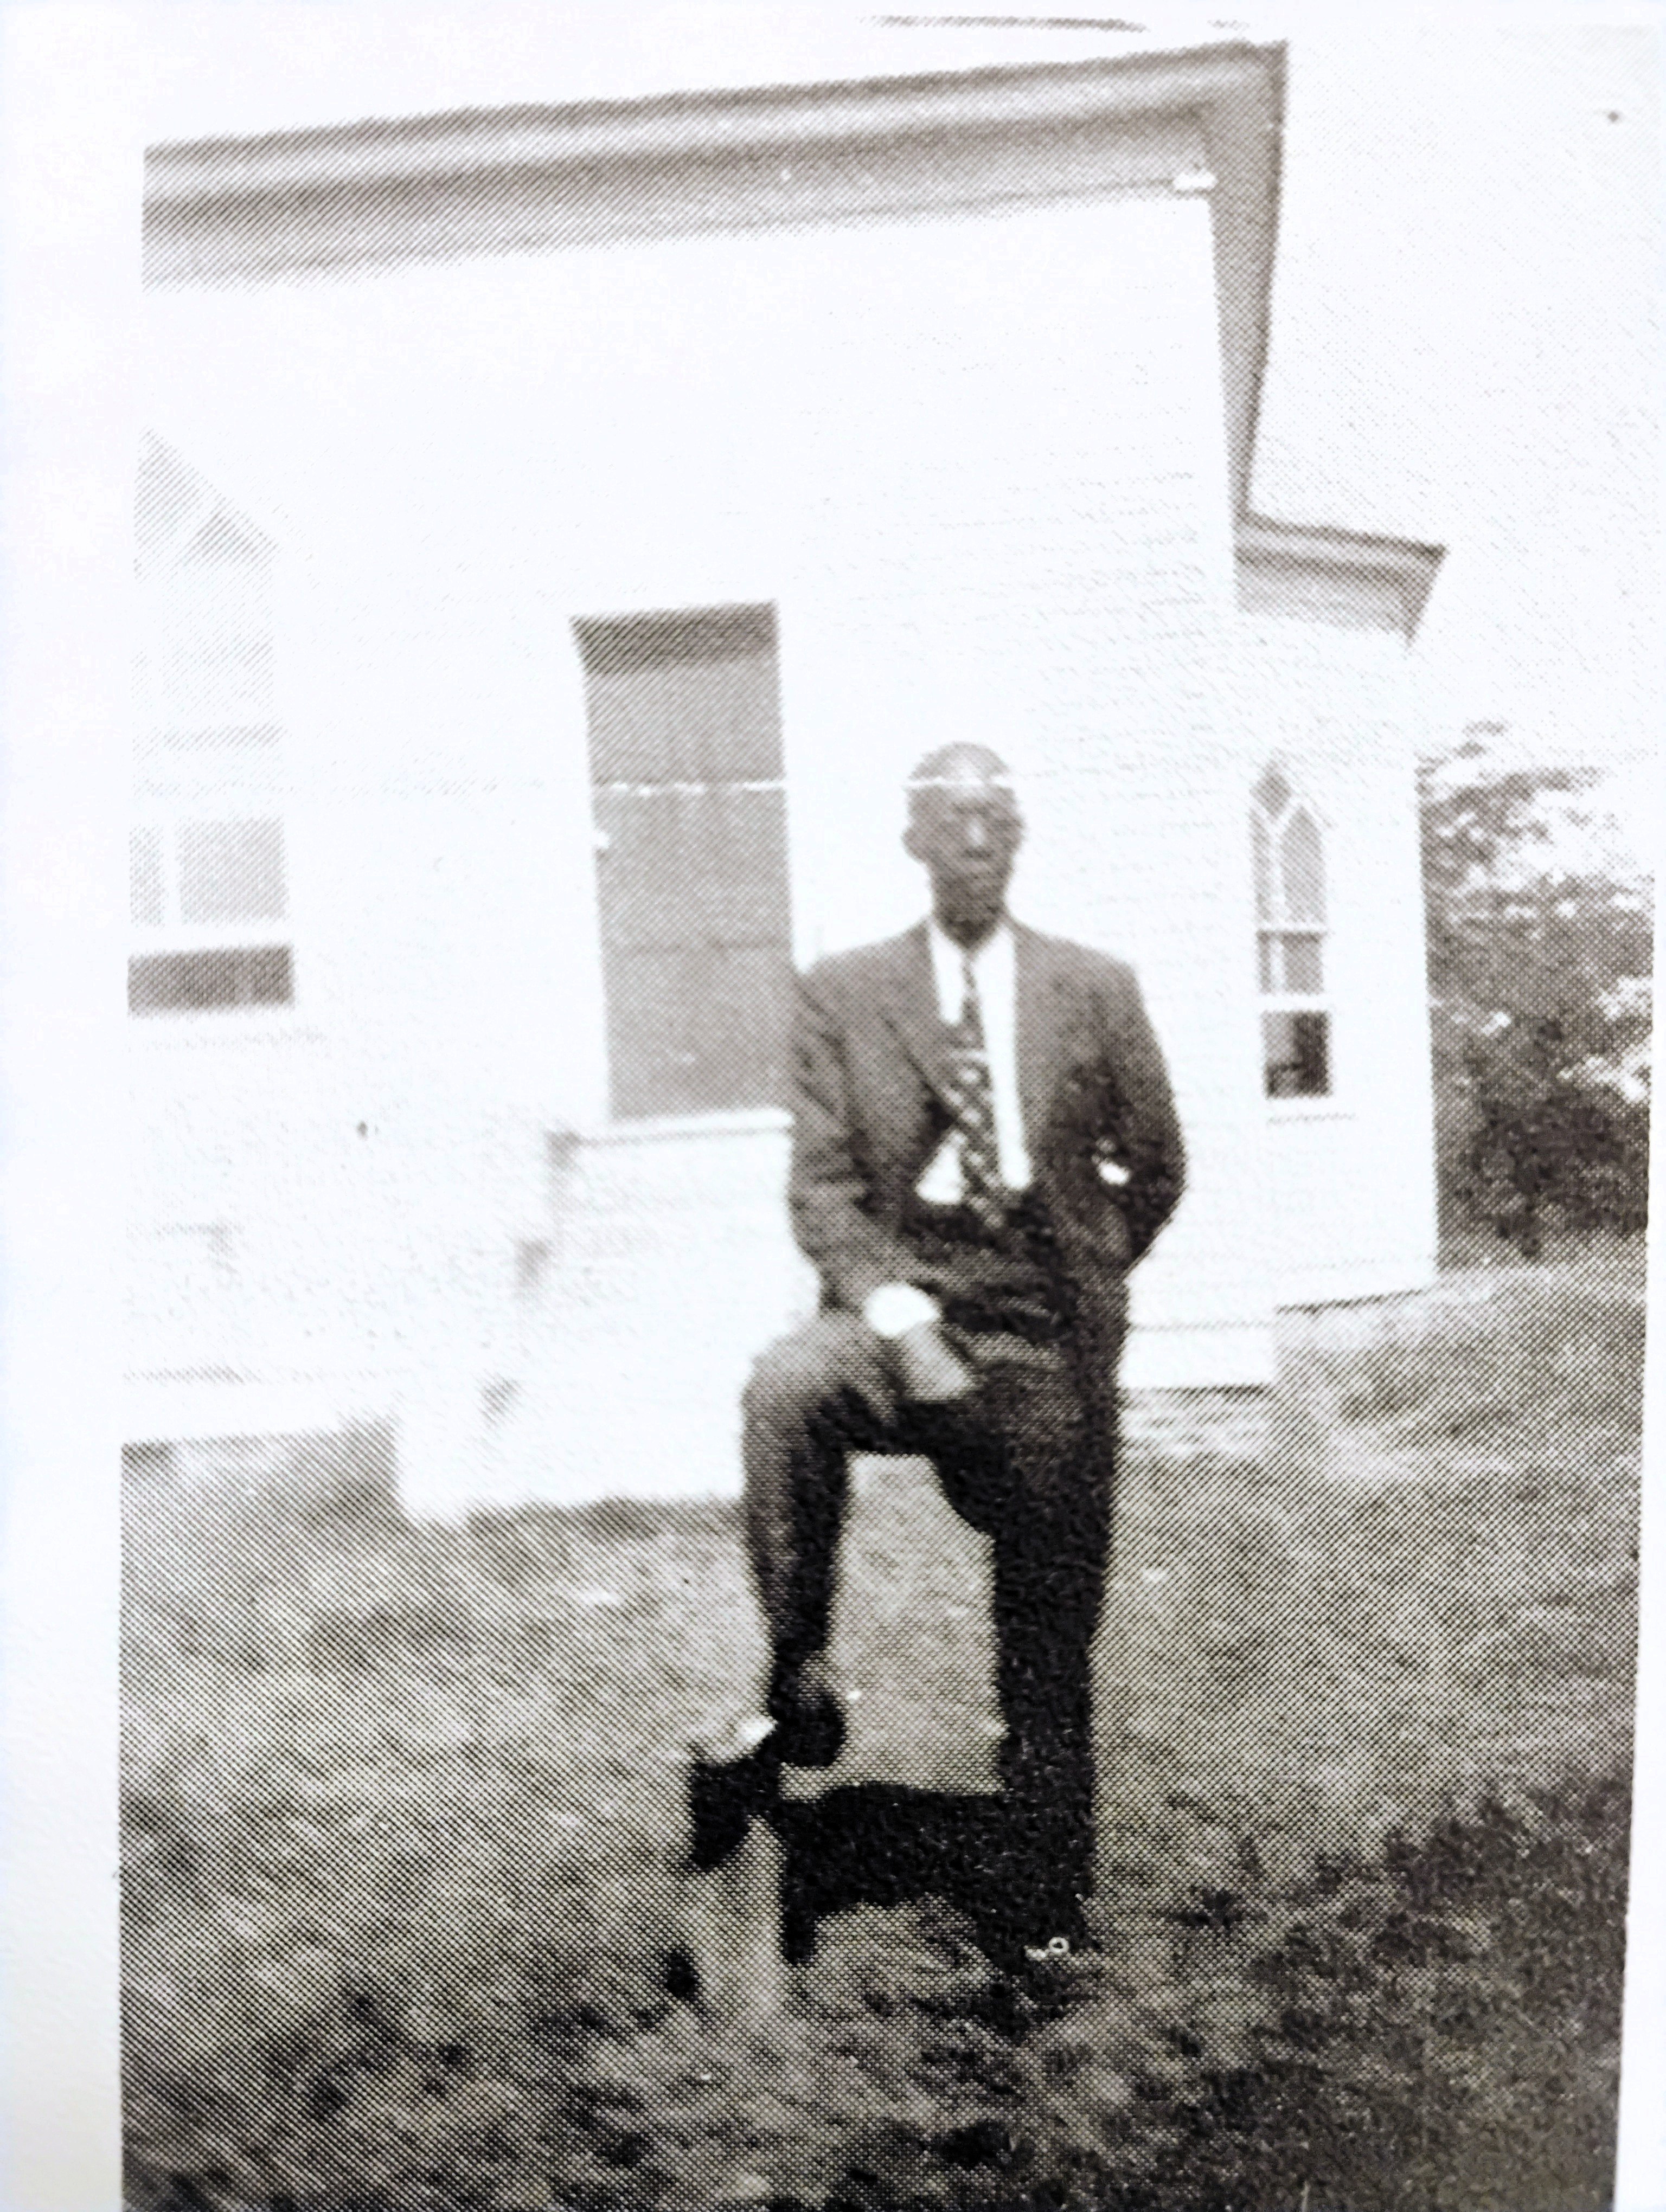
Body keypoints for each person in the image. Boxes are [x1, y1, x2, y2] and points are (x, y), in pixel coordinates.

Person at [741, 741, 1185, 1956]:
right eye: (953, 821)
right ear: (914, 842)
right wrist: (904, 1322)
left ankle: (1043, 1868)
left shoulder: (1094, 987)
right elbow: (824, 1197)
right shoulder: (845, 992)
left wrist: (1083, 1282)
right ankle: (800, 1670)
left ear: (1021, 837)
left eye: (998, 820)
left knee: (1048, 1589)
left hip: (1040, 1322)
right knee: (786, 1386)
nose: (977, 842)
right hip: (903, 1302)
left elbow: (1158, 1168)